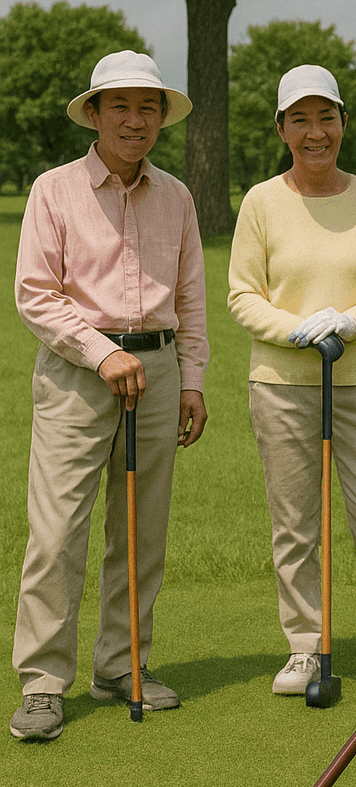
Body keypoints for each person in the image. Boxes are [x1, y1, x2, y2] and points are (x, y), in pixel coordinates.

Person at [11, 51, 209, 742]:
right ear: (93, 114)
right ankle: (43, 682)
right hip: (77, 373)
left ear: (162, 117)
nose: (135, 119)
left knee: (141, 531)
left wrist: (191, 379)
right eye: (119, 105)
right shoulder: (54, 190)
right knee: (57, 532)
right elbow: (36, 294)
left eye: (148, 107)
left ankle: (123, 666)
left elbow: (190, 298)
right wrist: (102, 352)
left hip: (158, 372)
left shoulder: (177, 196)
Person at [227, 64, 356, 701]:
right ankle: (304, 647)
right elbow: (242, 295)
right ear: (282, 129)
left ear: (344, 123)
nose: (314, 132)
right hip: (283, 385)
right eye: (300, 120)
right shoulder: (261, 202)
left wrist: (348, 321)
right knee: (295, 525)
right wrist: (297, 330)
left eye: (326, 118)